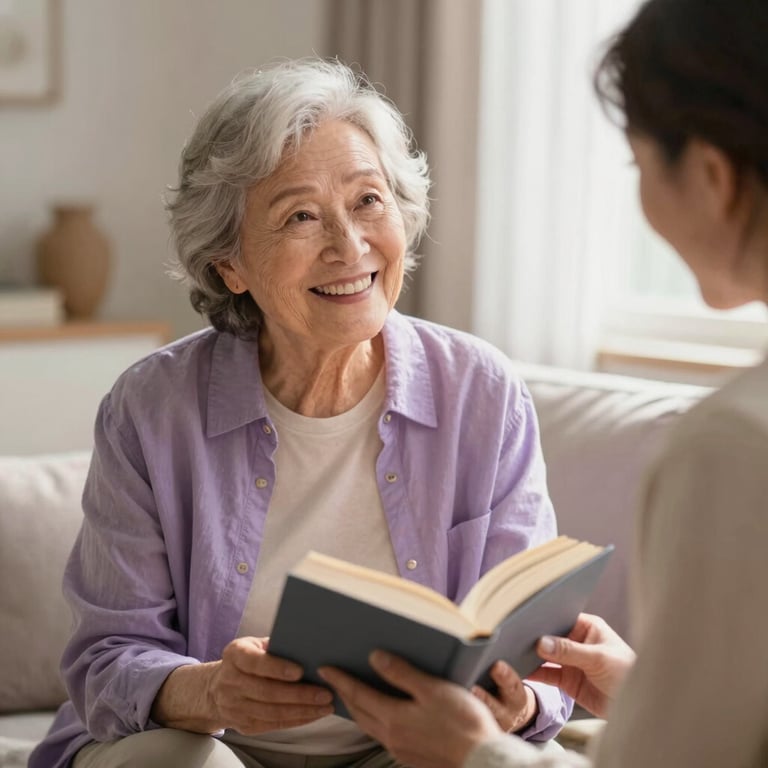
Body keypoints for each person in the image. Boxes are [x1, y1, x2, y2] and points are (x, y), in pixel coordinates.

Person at [29, 58, 571, 768]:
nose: (349, 246)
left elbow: (541, 660)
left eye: (369, 201)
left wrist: (517, 700)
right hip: (211, 745)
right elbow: (106, 660)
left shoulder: (482, 393)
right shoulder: (153, 408)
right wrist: (211, 691)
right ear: (231, 264)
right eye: (301, 216)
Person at [319, 1, 768, 766]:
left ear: (713, 176)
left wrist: (472, 751)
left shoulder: (734, 446)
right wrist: (648, 692)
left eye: (637, 163)